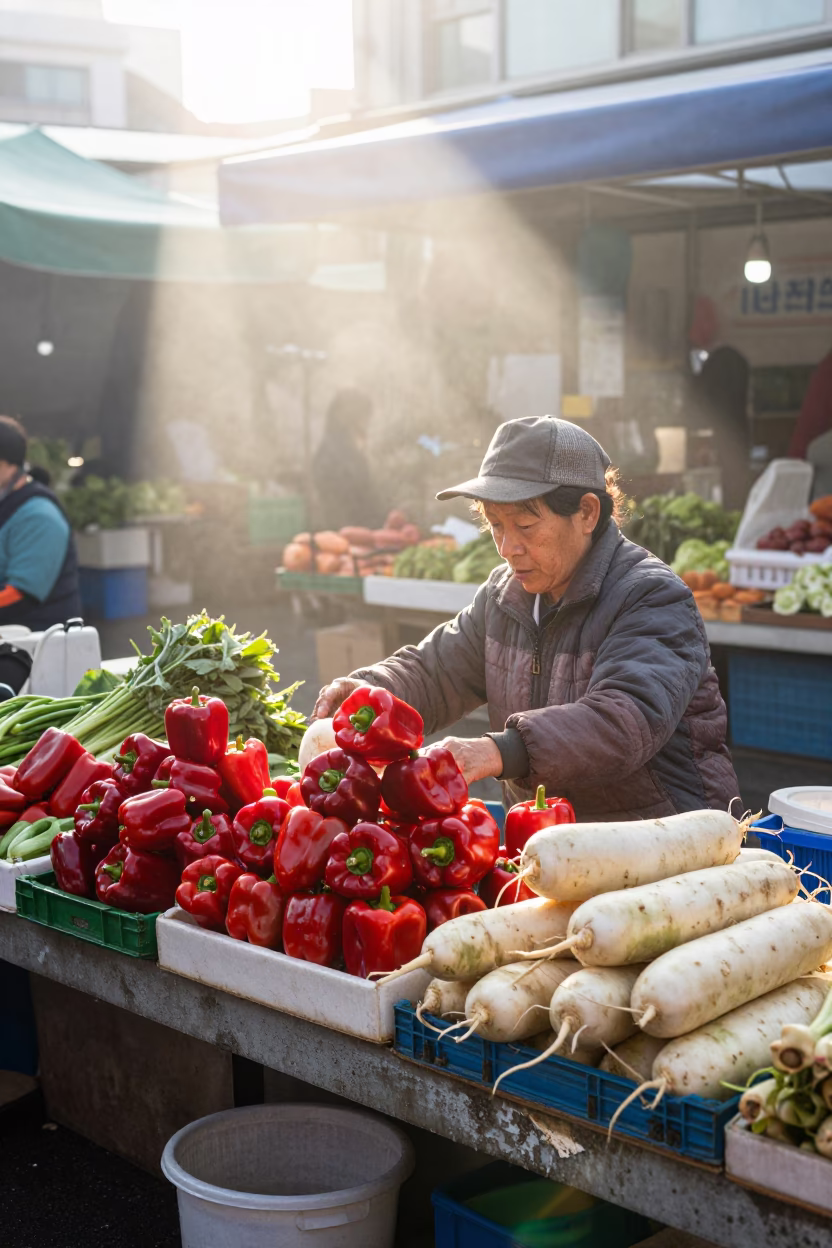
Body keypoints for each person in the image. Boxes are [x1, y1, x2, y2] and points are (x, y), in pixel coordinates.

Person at [313, 416, 739, 822]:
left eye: (525, 526)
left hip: (672, 845)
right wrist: (372, 687)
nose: (507, 547)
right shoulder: (503, 597)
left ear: (588, 513)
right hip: (557, 848)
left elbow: (623, 721)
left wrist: (498, 751)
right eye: (496, 525)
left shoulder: (651, 596)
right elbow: (436, 670)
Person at [0, 417, 81, 629]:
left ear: (9, 465)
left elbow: (20, 596)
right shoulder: (6, 504)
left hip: (36, 645)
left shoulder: (39, 516)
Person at [311, 389, 379, 532]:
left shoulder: (350, 450)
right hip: (347, 534)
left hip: (358, 531)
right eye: (364, 417)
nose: (368, 423)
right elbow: (343, 502)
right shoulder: (334, 454)